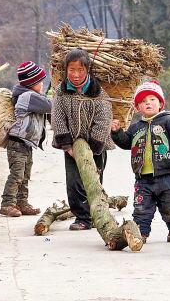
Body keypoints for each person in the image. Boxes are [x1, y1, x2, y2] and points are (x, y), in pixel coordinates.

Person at [111, 80, 170, 243]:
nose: (148, 103)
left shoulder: (169, 121)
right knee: (141, 210)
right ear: (138, 107)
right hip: (143, 180)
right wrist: (117, 132)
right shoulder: (135, 127)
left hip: (167, 177)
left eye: (152, 99)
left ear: (160, 103)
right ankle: (140, 234)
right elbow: (127, 143)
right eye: (143, 101)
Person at [51, 49, 114, 230]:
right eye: (72, 70)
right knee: (74, 182)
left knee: (94, 180)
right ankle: (82, 218)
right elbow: (57, 118)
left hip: (96, 146)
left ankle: (96, 214)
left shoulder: (98, 92)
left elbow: (104, 119)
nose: (76, 74)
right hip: (71, 146)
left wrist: (94, 146)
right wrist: (68, 145)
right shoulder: (61, 92)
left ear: (87, 70)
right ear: (66, 70)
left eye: (80, 70)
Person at [0, 61, 52, 217]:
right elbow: (50, 106)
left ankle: (22, 202)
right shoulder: (28, 96)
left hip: (25, 143)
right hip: (17, 143)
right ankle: (7, 203)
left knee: (25, 174)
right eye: (40, 81)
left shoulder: (30, 95)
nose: (42, 84)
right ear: (31, 82)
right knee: (17, 174)